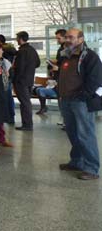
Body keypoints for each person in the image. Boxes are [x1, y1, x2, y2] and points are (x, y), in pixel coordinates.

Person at [58, 28, 102, 180]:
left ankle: (92, 168)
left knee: (85, 134)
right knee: (72, 133)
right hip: (66, 100)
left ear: (81, 39)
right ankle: (77, 161)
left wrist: (82, 96)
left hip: (81, 102)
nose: (68, 39)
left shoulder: (90, 56)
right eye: (67, 37)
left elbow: (96, 80)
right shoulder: (66, 56)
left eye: (71, 37)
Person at [13, 31, 40, 131]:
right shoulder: (32, 49)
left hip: (21, 81)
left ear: (20, 39)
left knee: (24, 103)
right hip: (29, 79)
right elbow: (37, 63)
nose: (16, 40)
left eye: (17, 38)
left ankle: (27, 124)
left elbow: (19, 67)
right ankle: (28, 123)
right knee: (26, 101)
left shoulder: (22, 51)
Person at [36, 29, 66, 115]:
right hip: (58, 81)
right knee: (40, 90)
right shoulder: (61, 49)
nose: (57, 41)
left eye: (59, 38)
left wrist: (59, 68)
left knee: (62, 99)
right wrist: (53, 63)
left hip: (63, 81)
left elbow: (67, 65)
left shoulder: (67, 49)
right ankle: (65, 120)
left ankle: (66, 120)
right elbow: (61, 61)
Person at [0, 34, 17, 123]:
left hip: (5, 75)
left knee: (6, 97)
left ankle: (8, 116)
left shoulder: (4, 51)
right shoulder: (12, 49)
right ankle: (11, 116)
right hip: (10, 75)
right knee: (9, 97)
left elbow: (1, 62)